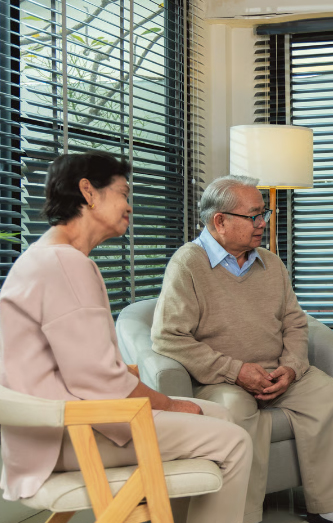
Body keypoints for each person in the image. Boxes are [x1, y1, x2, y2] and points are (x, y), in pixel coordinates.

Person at [0, 152, 252, 523]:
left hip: (48, 429)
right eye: (122, 193)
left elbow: (87, 369)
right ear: (88, 192)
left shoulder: (45, 257)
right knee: (235, 441)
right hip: (65, 437)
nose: (130, 206)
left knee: (218, 413)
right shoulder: (65, 265)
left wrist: (166, 403)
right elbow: (98, 379)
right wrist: (170, 404)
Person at [151, 175, 333, 523]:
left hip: (276, 371)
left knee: (327, 394)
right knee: (235, 407)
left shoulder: (271, 264)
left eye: (262, 214)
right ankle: (244, 514)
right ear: (220, 221)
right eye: (253, 216)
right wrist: (237, 371)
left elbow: (296, 323)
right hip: (220, 379)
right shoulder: (187, 264)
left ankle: (328, 506)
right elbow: (168, 337)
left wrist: (292, 367)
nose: (262, 223)